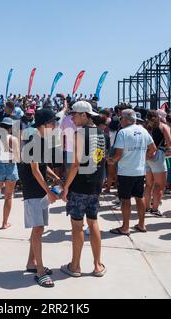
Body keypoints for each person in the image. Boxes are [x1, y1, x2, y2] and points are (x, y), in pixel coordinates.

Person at [61, 101, 107, 279]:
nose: (72, 117)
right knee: (93, 223)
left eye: (75, 114)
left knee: (77, 226)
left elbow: (75, 164)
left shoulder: (80, 134)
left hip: (80, 185)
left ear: (84, 115)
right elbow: (100, 159)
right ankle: (97, 265)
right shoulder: (102, 133)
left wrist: (66, 187)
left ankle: (75, 265)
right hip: (95, 185)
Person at [19, 108, 60, 288]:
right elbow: (35, 171)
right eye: (53, 123)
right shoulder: (34, 140)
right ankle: (40, 271)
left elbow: (42, 167)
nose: (56, 126)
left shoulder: (41, 139)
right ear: (44, 124)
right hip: (34, 190)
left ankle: (31, 263)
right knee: (38, 229)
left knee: (38, 228)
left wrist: (55, 178)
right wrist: (49, 191)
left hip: (39, 189)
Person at [108, 110, 157, 236]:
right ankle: (141, 224)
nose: (119, 121)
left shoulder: (123, 132)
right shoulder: (143, 130)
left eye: (120, 118)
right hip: (139, 171)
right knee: (139, 198)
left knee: (125, 200)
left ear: (125, 119)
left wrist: (111, 161)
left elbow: (118, 154)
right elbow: (153, 149)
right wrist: (143, 158)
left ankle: (125, 227)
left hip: (126, 171)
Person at [144, 110, 171, 217]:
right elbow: (169, 143)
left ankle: (146, 207)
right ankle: (155, 208)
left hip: (146, 156)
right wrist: (166, 148)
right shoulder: (163, 127)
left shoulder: (146, 127)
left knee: (148, 185)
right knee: (159, 185)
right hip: (158, 156)